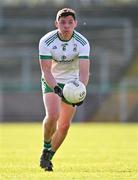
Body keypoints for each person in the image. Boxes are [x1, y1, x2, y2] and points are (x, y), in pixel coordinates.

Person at [39, 8, 90, 171]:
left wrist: (81, 91)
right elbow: (46, 70)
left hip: (72, 83)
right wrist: (55, 88)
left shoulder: (82, 43)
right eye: (62, 22)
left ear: (75, 23)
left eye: (70, 22)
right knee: (52, 115)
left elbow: (84, 71)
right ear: (56, 24)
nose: (66, 26)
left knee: (64, 126)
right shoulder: (46, 41)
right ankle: (46, 145)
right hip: (52, 80)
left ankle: (48, 156)